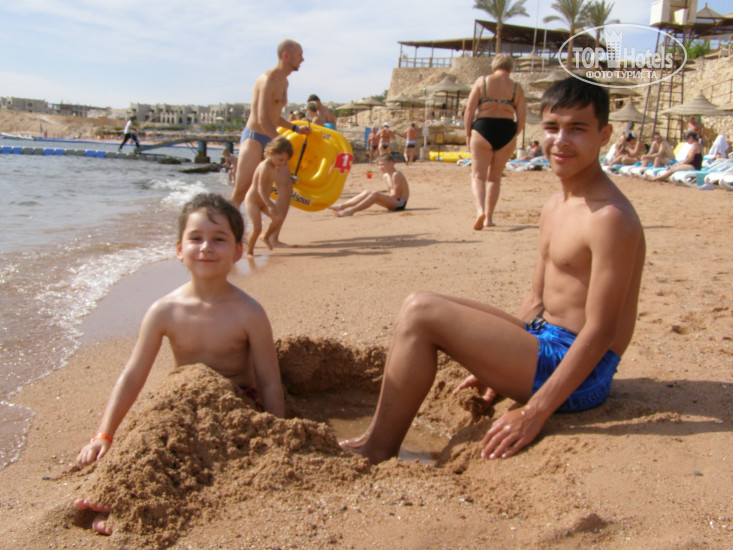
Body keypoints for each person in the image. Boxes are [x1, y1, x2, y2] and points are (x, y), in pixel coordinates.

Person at [340, 77, 645, 465]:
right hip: (544, 341)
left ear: (604, 135)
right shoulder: (556, 205)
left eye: (577, 129)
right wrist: (499, 362)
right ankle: (377, 439)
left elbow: (601, 331)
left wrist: (535, 411)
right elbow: (536, 300)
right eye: (552, 128)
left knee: (421, 314)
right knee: (418, 301)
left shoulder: (610, 218)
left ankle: (376, 450)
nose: (561, 140)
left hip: (583, 374)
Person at [74, 193, 285, 534]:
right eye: (196, 238)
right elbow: (133, 376)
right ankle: (117, 494)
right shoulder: (164, 311)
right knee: (151, 440)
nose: (206, 248)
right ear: (179, 249)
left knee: (200, 460)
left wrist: (279, 433)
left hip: (234, 405)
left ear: (237, 251)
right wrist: (104, 434)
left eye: (219, 239)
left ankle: (149, 507)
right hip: (179, 405)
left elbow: (270, 381)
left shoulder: (249, 313)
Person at [230, 39, 311, 248]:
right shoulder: (267, 79)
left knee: (286, 186)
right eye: (299, 55)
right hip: (255, 138)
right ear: (286, 55)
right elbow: (262, 118)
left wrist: (294, 128)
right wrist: (280, 141)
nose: (302, 59)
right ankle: (228, 236)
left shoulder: (285, 82)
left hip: (271, 138)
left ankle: (272, 236)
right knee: (241, 191)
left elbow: (275, 117)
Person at [464, 53, 526, 230]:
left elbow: (469, 110)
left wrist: (468, 134)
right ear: (511, 68)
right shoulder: (516, 88)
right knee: (494, 179)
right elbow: (522, 116)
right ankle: (489, 218)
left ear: (494, 66)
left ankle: (480, 210)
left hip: (483, 127)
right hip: (507, 129)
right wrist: (514, 134)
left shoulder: (482, 82)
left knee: (478, 176)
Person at [244, 136, 293, 255]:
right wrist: (270, 204)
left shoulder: (275, 166)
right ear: (271, 153)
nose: (283, 163)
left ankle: (266, 237)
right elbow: (260, 188)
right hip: (253, 201)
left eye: (286, 161)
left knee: (278, 219)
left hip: (264, 200)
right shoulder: (265, 166)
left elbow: (272, 184)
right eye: (281, 160)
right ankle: (249, 251)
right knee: (257, 228)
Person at [329, 153, 409, 217]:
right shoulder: (385, 175)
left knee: (374, 194)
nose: (380, 167)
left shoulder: (396, 175)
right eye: (379, 165)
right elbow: (390, 192)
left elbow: (397, 196)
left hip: (400, 203)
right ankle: (341, 206)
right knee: (367, 192)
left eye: (382, 165)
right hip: (393, 201)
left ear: (391, 163)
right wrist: (381, 197)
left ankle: (351, 211)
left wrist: (379, 197)